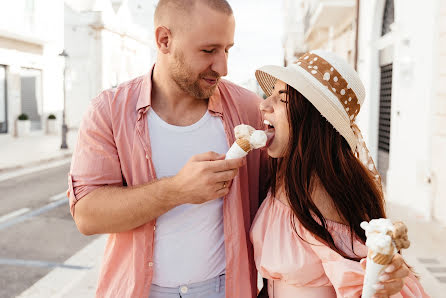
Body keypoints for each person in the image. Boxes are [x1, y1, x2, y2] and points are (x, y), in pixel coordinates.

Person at [67, 0, 266, 297]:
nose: (223, 67)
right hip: (139, 290)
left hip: (225, 288)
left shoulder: (249, 108)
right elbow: (87, 216)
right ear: (164, 40)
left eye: (227, 49)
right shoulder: (108, 111)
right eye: (209, 50)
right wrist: (177, 190)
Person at [250, 51, 429, 297]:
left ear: (311, 119)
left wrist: (385, 277)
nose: (263, 105)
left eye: (282, 99)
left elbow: (367, 283)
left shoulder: (329, 195)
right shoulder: (283, 172)